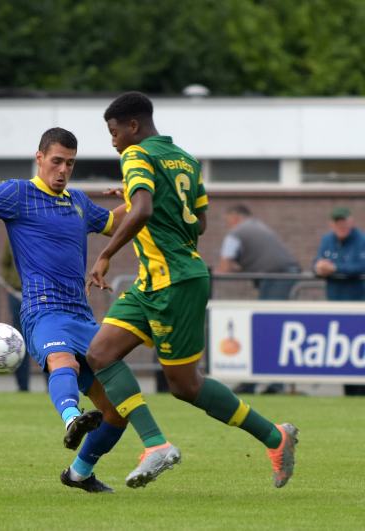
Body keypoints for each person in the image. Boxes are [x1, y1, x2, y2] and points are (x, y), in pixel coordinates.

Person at [81, 91, 298, 490]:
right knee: (99, 354)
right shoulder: (186, 160)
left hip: (175, 281)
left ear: (133, 125)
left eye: (114, 132)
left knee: (185, 385)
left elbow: (144, 210)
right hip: (155, 281)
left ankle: (274, 436)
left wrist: (106, 254)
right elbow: (199, 223)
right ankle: (155, 444)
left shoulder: (136, 155)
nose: (113, 142)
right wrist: (134, 196)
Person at [0, 127, 128, 493]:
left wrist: (137, 196)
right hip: (42, 309)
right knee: (63, 362)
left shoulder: (78, 201)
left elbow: (114, 224)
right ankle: (71, 418)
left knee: (116, 412)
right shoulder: (17, 193)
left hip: (81, 314)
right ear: (40, 158)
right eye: (57, 161)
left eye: (71, 163)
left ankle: (79, 473)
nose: (63, 170)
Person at [217, 204, 300, 394]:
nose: (228, 224)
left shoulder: (237, 233)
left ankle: (269, 384)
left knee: (268, 330)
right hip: (286, 277)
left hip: (276, 279)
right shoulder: (258, 226)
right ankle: (259, 382)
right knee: (273, 329)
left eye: (228, 220)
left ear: (235, 217)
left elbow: (224, 266)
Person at [313, 206, 365, 396]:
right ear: (331, 224)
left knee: (359, 350)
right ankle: (350, 392)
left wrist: (335, 268)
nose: (340, 225)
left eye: (344, 222)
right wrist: (319, 267)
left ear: (351, 222)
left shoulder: (361, 240)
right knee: (343, 353)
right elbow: (317, 262)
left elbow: (360, 265)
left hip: (359, 305)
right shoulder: (328, 240)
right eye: (337, 222)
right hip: (335, 305)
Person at [0, 240, 31, 392]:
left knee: (45, 342)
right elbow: (5, 263)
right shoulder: (11, 238)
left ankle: (51, 387)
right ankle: (22, 387)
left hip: (39, 295)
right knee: (19, 341)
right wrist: (9, 282)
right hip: (16, 293)